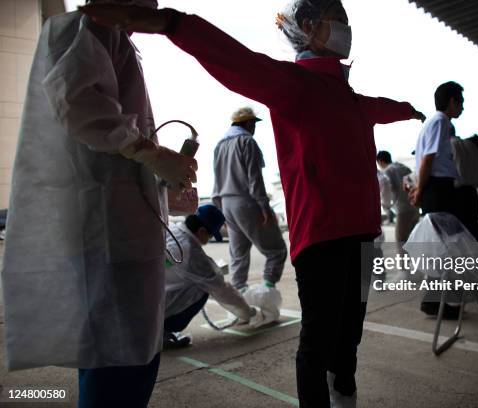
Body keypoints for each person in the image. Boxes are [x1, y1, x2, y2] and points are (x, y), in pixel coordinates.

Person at [79, 2, 426, 407]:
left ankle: (344, 395)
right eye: (338, 18)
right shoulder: (293, 85)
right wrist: (171, 23)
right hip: (323, 237)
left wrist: (408, 111)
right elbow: (234, 58)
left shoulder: (350, 98)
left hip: (363, 232)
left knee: (349, 334)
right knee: (318, 342)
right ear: (310, 27)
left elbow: (379, 106)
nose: (346, 26)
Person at [0, 1, 197, 407]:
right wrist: (150, 152)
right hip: (109, 234)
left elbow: (110, 136)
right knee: (118, 357)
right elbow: (78, 103)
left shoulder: (113, 37)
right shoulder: (88, 27)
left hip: (123, 228)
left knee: (122, 351)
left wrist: (157, 167)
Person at [163, 204, 260, 349]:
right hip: (156, 310)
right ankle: (164, 331)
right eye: (210, 235)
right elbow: (223, 290)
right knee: (202, 289)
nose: (209, 239)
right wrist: (249, 312)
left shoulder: (171, 230)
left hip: (137, 303)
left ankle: (156, 330)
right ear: (202, 231)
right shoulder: (194, 255)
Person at [212, 107, 287, 292]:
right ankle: (267, 293)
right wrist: (264, 208)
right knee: (277, 251)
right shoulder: (247, 141)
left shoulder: (219, 145)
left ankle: (240, 301)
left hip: (227, 205)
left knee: (239, 256)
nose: (254, 128)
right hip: (247, 203)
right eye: (254, 124)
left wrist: (222, 212)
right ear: (248, 123)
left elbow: (216, 183)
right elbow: (255, 180)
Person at [410, 81, 465, 318]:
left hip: (436, 188)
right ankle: (433, 301)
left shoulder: (435, 123)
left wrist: (420, 188)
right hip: (438, 189)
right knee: (443, 247)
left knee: (440, 246)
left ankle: (434, 300)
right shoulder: (441, 121)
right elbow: (428, 160)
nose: (462, 107)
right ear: (451, 101)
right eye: (460, 101)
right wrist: (420, 189)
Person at [450, 127, 478, 241]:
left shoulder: (447, 145)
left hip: (455, 195)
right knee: (472, 233)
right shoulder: (471, 145)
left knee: (458, 237)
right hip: (472, 194)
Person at [376, 151, 419, 242]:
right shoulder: (404, 167)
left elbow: (386, 191)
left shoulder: (388, 171)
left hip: (403, 210)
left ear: (380, 161)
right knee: (413, 241)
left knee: (401, 242)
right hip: (415, 208)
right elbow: (413, 186)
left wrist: (386, 206)